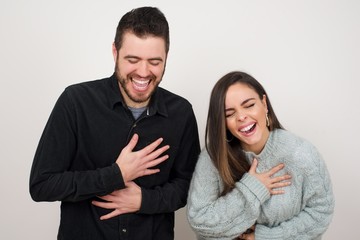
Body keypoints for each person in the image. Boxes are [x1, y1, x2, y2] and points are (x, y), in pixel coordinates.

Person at [29, 6, 200, 240]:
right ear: (115, 52)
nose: (143, 71)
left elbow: (190, 187)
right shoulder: (75, 102)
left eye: (154, 61)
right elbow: (42, 185)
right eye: (133, 59)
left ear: (166, 58)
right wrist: (116, 175)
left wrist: (144, 201)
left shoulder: (181, 112)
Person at [187, 71, 334, 240]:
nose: (242, 116)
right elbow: (199, 221)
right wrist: (253, 188)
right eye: (229, 114)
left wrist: (265, 237)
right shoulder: (212, 158)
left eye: (249, 105)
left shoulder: (301, 153)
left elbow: (321, 212)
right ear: (222, 121)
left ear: (264, 104)